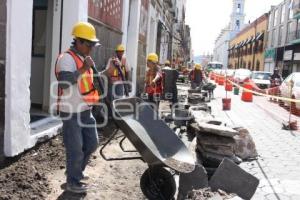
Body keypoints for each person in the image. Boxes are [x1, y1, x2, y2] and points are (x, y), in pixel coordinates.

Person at [55, 21, 100, 193]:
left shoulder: (83, 58)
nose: (92, 49)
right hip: (71, 112)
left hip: (85, 111)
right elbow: (65, 82)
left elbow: (88, 82)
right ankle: (72, 182)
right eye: (89, 45)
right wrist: (83, 68)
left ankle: (75, 172)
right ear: (79, 42)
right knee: (75, 149)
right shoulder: (67, 58)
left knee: (91, 144)